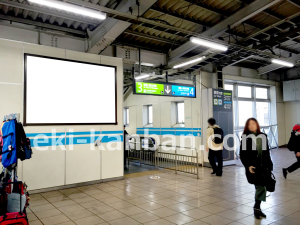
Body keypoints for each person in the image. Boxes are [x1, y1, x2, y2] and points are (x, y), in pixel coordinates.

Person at [239, 118, 273, 219]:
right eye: (249, 124)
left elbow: (267, 152)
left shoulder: (263, 136)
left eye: (253, 123)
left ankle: (257, 208)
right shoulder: (245, 138)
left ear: (257, 124)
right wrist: (248, 165)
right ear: (247, 127)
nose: (252, 125)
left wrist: (270, 164)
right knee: (260, 186)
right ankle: (257, 208)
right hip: (253, 167)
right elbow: (243, 155)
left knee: (260, 187)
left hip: (264, 166)